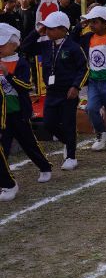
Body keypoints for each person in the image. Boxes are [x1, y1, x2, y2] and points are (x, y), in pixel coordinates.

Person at [20, 11, 87, 170]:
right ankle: (68, 141)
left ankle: (71, 156)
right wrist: (37, 32)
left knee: (69, 123)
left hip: (68, 92)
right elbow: (24, 47)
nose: (47, 31)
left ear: (63, 29)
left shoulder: (73, 47)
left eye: (51, 28)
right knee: (49, 124)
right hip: (52, 92)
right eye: (47, 28)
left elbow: (83, 69)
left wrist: (75, 86)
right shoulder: (45, 45)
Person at [0, 24, 51, 199]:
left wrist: (9, 75)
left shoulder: (20, 62)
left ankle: (44, 166)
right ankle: (6, 183)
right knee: (3, 148)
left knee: (29, 143)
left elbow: (27, 86)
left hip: (19, 113)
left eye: (2, 45)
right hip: (3, 114)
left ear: (13, 44)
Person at [78, 5, 106, 153]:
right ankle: (101, 133)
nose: (91, 25)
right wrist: (80, 25)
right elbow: (72, 39)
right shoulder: (87, 38)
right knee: (91, 108)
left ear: (105, 23)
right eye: (90, 21)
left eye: (95, 22)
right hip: (93, 82)